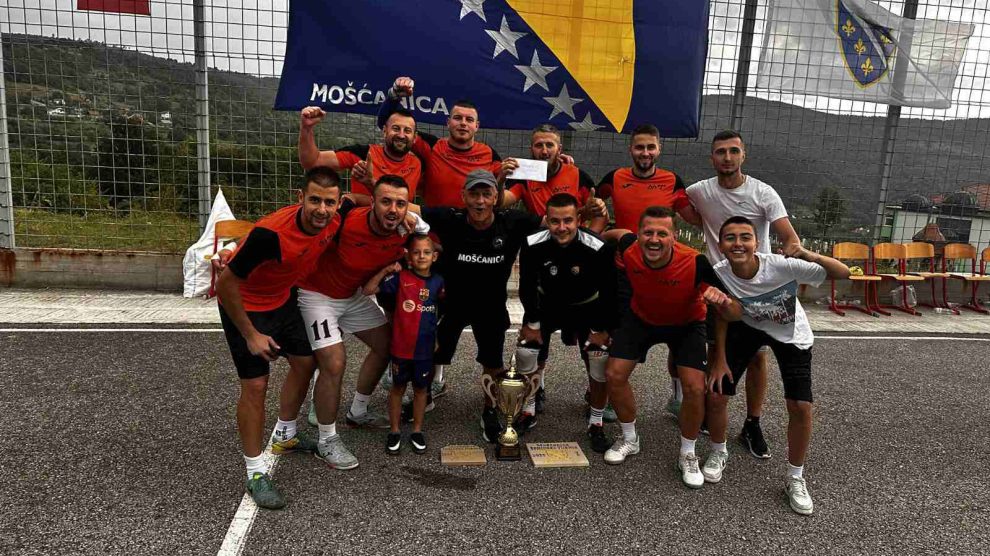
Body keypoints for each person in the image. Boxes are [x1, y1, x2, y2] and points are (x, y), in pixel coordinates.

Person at [215, 166, 344, 510]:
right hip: (244, 305)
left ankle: (285, 435)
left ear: (338, 203)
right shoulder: (270, 236)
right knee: (256, 386)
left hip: (282, 299)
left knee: (306, 361)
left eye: (329, 202)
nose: (321, 209)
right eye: (314, 200)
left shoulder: (335, 221)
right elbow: (225, 285)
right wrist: (251, 334)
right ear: (300, 197)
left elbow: (365, 204)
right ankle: (255, 472)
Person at [704, 216, 850, 515]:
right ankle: (718, 452)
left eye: (745, 237)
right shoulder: (719, 273)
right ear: (720, 245)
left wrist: (807, 253)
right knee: (716, 394)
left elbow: (843, 273)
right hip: (746, 327)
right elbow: (722, 315)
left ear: (757, 243)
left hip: (790, 332)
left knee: (800, 405)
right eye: (730, 238)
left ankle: (795, 477)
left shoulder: (781, 265)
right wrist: (718, 359)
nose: (738, 244)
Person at [603, 207, 741, 492]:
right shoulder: (628, 247)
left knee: (694, 387)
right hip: (642, 318)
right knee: (614, 374)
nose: (654, 239)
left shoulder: (695, 262)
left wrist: (724, 302)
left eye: (662, 234)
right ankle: (629, 438)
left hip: (686, 324)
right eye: (648, 232)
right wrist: (595, 237)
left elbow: (735, 312)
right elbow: (615, 234)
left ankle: (688, 453)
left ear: (674, 236)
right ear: (638, 234)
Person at [296, 174, 427, 470]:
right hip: (317, 295)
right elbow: (299, 229)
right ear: (372, 203)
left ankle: (358, 411)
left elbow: (428, 236)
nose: (393, 209)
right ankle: (327, 440)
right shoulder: (343, 221)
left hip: (352, 296)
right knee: (334, 363)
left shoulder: (405, 229)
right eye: (385, 202)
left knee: (388, 345)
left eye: (401, 204)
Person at [686, 129, 801, 459]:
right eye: (720, 151)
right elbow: (678, 205)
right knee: (715, 349)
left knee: (756, 356)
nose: (727, 157)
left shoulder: (763, 193)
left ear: (743, 155)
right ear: (712, 157)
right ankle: (711, 413)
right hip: (719, 282)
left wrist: (788, 261)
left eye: (733, 151)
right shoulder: (700, 191)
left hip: (756, 285)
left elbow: (789, 237)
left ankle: (752, 422)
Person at [412, 169, 543, 443]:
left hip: (490, 306)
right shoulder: (450, 218)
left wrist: (590, 212)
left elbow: (556, 222)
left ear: (496, 197)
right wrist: (368, 193)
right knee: (430, 353)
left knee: (493, 363)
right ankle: (423, 397)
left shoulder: (513, 222)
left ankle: (490, 410)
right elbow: (404, 208)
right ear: (463, 196)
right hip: (452, 304)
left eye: (486, 194)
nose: (480, 201)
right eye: (474, 194)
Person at [502, 124, 608, 414]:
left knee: (594, 350)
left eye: (550, 145)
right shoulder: (524, 173)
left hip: (576, 265)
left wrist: (590, 240)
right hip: (544, 257)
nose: (544, 150)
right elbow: (502, 202)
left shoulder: (577, 175)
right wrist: (500, 178)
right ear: (531, 149)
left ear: (560, 149)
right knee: (533, 343)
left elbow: (598, 211)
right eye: (539, 145)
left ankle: (596, 400)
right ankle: (534, 396)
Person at [598, 124, 702, 419]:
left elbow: (693, 217)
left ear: (659, 149)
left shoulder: (672, 180)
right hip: (625, 271)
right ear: (631, 149)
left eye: (650, 147)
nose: (645, 153)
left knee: (677, 334)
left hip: (665, 272)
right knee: (619, 334)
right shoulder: (615, 178)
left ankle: (678, 398)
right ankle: (610, 397)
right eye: (639, 147)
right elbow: (591, 200)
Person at [517, 193, 616, 452]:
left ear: (578, 220)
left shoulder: (598, 247)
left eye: (568, 221)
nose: (562, 227)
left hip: (586, 307)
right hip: (547, 305)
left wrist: (600, 329)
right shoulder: (531, 243)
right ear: (547, 220)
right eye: (555, 221)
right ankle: (528, 410)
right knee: (527, 351)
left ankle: (596, 422)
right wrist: (532, 323)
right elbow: (527, 286)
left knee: (599, 358)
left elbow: (609, 292)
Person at [363, 234, 444, 455]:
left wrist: (437, 337)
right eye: (416, 252)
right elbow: (368, 290)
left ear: (434, 256)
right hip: (401, 348)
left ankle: (417, 431)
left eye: (426, 252)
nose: (421, 256)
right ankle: (395, 430)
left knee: (421, 390)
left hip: (425, 350)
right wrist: (386, 270)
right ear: (408, 256)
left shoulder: (438, 282)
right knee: (397, 388)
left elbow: (441, 310)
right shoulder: (400, 278)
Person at [377, 76, 505, 208]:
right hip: (434, 221)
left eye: (469, 120)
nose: (463, 123)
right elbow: (386, 125)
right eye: (457, 118)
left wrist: (489, 201)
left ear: (477, 126)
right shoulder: (432, 147)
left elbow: (511, 192)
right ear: (448, 123)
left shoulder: (489, 154)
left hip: (474, 220)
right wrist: (394, 96)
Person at [298, 105, 421, 197]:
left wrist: (369, 183)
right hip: (359, 222)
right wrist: (306, 128)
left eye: (407, 131)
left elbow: (400, 204)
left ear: (415, 137)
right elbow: (312, 162)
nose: (401, 135)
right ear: (385, 131)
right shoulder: (363, 154)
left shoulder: (416, 164)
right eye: (396, 128)